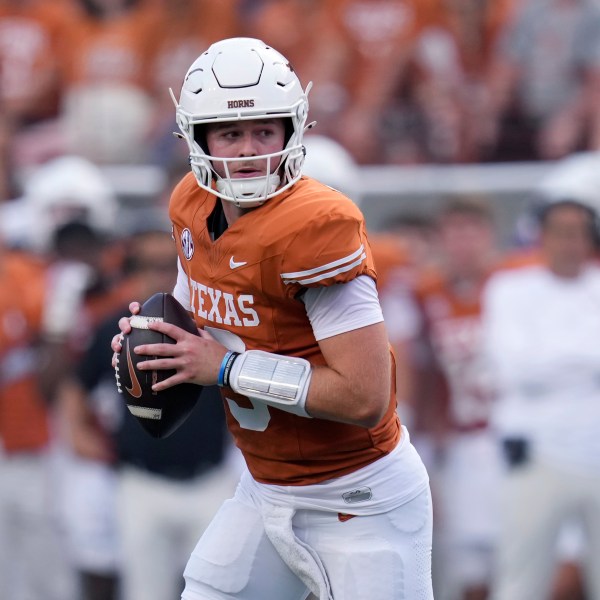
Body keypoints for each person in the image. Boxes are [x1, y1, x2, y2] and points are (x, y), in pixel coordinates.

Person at [111, 37, 433, 600]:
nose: (249, 149)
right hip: (265, 488)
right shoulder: (191, 203)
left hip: (360, 497)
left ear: (293, 130)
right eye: (231, 134)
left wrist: (226, 369)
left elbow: (365, 397)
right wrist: (160, 341)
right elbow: (202, 314)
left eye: (265, 130)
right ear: (198, 137)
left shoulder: (317, 225)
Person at [481, 196, 600, 599]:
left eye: (579, 233)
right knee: (519, 581)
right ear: (542, 238)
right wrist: (586, 362)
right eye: (561, 233)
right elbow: (516, 368)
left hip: (595, 451)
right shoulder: (509, 289)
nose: (570, 243)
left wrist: (551, 358)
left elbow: (534, 365)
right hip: (535, 454)